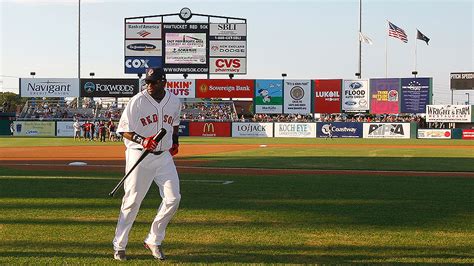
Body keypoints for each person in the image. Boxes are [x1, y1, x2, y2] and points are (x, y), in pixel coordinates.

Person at [113, 67, 181, 261]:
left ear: (163, 82)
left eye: (153, 82)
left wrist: (175, 141)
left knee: (173, 198)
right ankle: (119, 245)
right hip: (139, 154)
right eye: (147, 82)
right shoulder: (137, 101)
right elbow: (123, 130)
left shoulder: (174, 100)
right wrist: (143, 140)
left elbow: (174, 122)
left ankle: (154, 239)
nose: (149, 85)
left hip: (163, 157)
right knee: (132, 201)